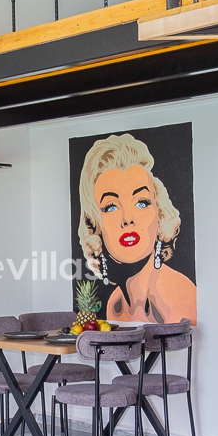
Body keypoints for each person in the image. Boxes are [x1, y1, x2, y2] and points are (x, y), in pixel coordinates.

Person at [76, 133, 196, 323]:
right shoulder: (114, 304)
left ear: (159, 213)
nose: (127, 219)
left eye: (141, 202)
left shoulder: (177, 294)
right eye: (111, 207)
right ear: (95, 225)